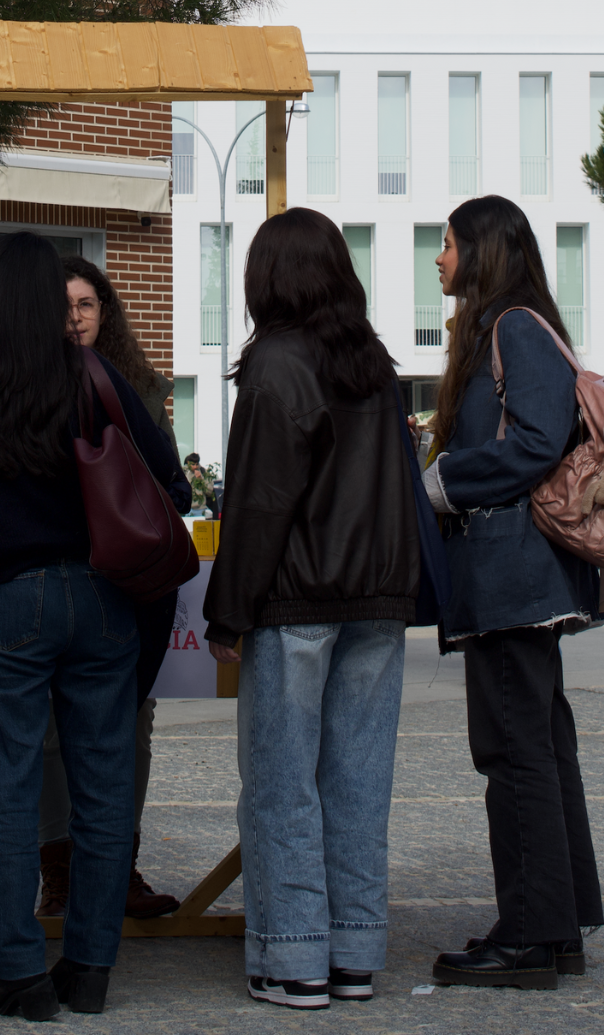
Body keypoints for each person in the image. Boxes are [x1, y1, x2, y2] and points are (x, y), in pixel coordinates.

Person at [0, 233, 190, 1020]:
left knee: (9, 791)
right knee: (103, 790)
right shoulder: (91, 373)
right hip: (101, 597)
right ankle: (88, 970)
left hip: (4, 599)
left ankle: (19, 975)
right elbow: (170, 482)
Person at [203, 208, 419, 1010]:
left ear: (268, 278)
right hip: (378, 599)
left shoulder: (277, 367)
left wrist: (229, 614)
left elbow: (260, 505)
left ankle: (294, 957)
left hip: (296, 600)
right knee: (360, 780)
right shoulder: (375, 365)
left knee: (283, 780)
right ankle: (356, 953)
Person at [422, 195, 604, 989]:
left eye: (449, 243)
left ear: (483, 252)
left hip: (512, 577)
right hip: (520, 577)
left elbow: (534, 441)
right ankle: (554, 927)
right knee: (538, 745)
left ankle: (530, 936)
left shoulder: (515, 328)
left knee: (514, 750)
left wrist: (442, 481)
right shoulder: (518, 326)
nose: (439, 256)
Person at [30, 257, 184, 924]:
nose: (75, 317)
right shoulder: (23, 381)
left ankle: (116, 863)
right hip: (53, 572)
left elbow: (170, 483)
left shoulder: (141, 386)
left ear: (106, 311)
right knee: (50, 732)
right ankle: (59, 871)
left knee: (132, 724)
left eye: (87, 304)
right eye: (64, 306)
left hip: (125, 579)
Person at [183, 453, 219, 517]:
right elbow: (183, 489)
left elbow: (209, 492)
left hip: (201, 509)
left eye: (196, 464)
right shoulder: (184, 472)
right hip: (188, 509)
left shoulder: (203, 472)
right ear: (188, 463)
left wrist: (201, 479)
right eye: (192, 464)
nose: (195, 467)